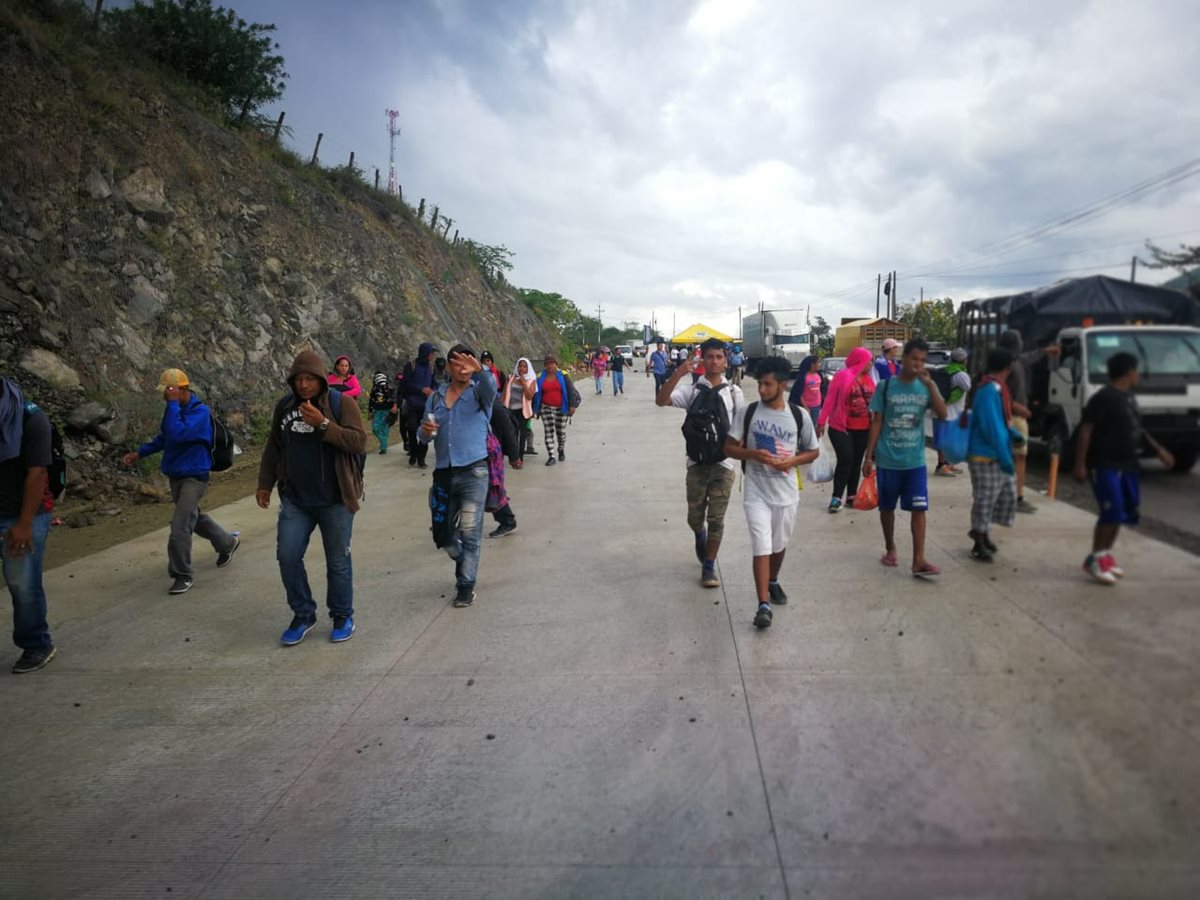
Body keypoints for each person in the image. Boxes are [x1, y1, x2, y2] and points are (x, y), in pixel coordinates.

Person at [257, 350, 367, 645]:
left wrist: (323, 424)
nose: (304, 385)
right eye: (299, 380)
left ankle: (342, 615)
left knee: (338, 561)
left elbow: (358, 441)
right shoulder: (284, 407)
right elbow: (274, 447)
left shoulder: (340, 403)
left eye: (310, 379)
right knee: (287, 556)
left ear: (321, 379)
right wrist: (264, 483)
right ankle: (303, 614)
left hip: (335, 499)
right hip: (296, 500)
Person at [122, 368, 239, 595]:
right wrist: (140, 453)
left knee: (179, 526)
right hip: (176, 475)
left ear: (181, 390)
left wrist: (173, 403)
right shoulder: (173, 410)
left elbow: (177, 434)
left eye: (169, 391)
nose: (165, 396)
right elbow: (165, 438)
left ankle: (182, 575)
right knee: (193, 518)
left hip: (195, 477)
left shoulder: (200, 412)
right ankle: (227, 543)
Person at [725, 356, 820, 630]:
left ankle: (773, 579)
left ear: (782, 384)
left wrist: (791, 461)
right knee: (761, 546)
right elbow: (729, 448)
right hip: (756, 491)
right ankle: (763, 605)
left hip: (787, 494)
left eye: (767, 384)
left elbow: (813, 451)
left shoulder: (799, 416)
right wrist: (752, 453)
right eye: (759, 384)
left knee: (778, 545)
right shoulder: (748, 412)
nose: (762, 390)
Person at [1072, 352, 1174, 585]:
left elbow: (1139, 430)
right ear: (1129, 371)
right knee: (1112, 510)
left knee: (1124, 512)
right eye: (1136, 370)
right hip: (1105, 464)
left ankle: (1106, 555)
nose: (1137, 375)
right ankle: (1095, 558)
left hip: (1128, 465)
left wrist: (1159, 450)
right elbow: (1086, 430)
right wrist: (1080, 464)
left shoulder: (1128, 398)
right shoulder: (1103, 398)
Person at [656, 337, 744, 587]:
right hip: (696, 464)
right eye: (710, 357)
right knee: (695, 518)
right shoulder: (692, 391)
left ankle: (708, 566)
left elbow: (741, 430)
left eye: (719, 357)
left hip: (724, 464)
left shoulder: (735, 394)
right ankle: (699, 534)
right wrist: (679, 372)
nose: (714, 361)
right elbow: (661, 400)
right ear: (702, 360)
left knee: (717, 518)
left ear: (726, 361)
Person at [862, 338, 948, 578]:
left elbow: (942, 414)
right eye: (914, 359)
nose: (918, 364)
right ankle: (890, 547)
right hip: (888, 460)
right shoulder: (886, 387)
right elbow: (877, 421)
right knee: (887, 509)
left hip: (915, 462)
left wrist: (931, 386)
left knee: (919, 510)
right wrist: (868, 456)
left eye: (922, 360)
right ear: (903, 358)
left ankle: (918, 560)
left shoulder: (925, 387)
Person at [419, 344, 497, 607]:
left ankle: (465, 585)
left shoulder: (479, 394)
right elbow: (423, 434)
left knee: (470, 530)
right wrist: (427, 432)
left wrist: (481, 370)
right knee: (441, 534)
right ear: (449, 367)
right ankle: (465, 558)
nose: (463, 369)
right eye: (457, 363)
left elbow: (491, 386)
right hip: (443, 473)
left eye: (468, 363)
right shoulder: (436, 398)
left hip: (474, 472)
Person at [1, 377, 56, 674]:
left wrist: (23, 524)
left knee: (22, 583)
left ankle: (36, 643)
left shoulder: (31, 418)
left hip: (26, 513)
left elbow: (37, 475)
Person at [965, 348, 1019, 563]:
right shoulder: (989, 391)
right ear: (1009, 368)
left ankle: (982, 534)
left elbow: (1000, 421)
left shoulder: (996, 389)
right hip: (984, 455)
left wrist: (1013, 434)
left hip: (991, 454)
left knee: (999, 498)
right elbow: (992, 426)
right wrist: (1005, 457)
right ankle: (978, 541)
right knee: (986, 500)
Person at [997, 330, 1059, 513]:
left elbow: (1030, 356)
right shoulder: (1006, 365)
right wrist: (1018, 407)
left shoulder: (1016, 361)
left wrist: (1047, 351)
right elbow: (1000, 392)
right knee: (1014, 457)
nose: (1022, 344)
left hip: (1016, 416)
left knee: (1018, 456)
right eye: (1019, 341)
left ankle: (1016, 495)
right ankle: (1012, 496)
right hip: (1011, 416)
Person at [817, 347, 874, 512]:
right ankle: (836, 497)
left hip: (864, 428)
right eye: (869, 360)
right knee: (846, 459)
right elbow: (829, 400)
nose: (871, 364)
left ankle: (851, 495)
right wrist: (821, 422)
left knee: (856, 462)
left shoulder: (869, 379)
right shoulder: (842, 377)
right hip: (840, 427)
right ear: (860, 361)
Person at [533, 354, 578, 466]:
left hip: (562, 407)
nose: (550, 366)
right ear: (544, 366)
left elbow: (570, 390)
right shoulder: (540, 377)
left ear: (556, 365)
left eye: (552, 363)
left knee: (561, 431)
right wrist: (535, 409)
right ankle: (551, 456)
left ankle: (561, 449)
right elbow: (536, 394)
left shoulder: (564, 375)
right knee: (549, 430)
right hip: (546, 407)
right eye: (547, 364)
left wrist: (572, 405)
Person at [934, 348, 972, 476]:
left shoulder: (946, 369)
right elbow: (968, 387)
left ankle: (948, 464)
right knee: (946, 439)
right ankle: (941, 466)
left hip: (943, 408)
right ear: (964, 360)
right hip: (951, 411)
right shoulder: (961, 374)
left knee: (945, 438)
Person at [487, 395, 520, 538]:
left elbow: (508, 428)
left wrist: (514, 456)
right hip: (470, 452)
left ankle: (507, 521)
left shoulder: (492, 403)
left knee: (493, 489)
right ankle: (449, 523)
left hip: (490, 454)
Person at [403, 342, 439, 468]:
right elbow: (405, 385)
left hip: (427, 406)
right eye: (431, 353)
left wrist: (433, 391)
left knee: (427, 430)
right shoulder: (410, 366)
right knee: (412, 429)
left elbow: (435, 383)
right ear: (425, 353)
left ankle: (421, 458)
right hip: (413, 404)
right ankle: (413, 453)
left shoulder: (432, 367)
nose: (433, 355)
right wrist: (421, 389)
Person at [505, 357, 537, 467]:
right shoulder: (511, 377)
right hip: (511, 411)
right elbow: (505, 394)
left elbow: (529, 396)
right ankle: (513, 457)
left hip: (523, 411)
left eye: (524, 366)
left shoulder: (531, 380)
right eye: (520, 366)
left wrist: (523, 383)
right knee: (512, 434)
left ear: (528, 368)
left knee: (522, 435)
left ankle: (520, 458)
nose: (521, 368)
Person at [789, 354, 825, 425]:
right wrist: (805, 407)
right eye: (818, 362)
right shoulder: (803, 377)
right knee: (804, 426)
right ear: (812, 364)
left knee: (813, 426)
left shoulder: (819, 375)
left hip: (816, 405)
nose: (820, 364)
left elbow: (820, 389)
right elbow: (799, 394)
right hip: (806, 406)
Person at [367, 370, 395, 454]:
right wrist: (370, 411)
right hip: (377, 411)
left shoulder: (389, 389)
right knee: (375, 429)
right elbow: (371, 401)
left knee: (384, 429)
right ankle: (383, 442)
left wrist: (394, 408)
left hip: (386, 411)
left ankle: (383, 447)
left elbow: (394, 399)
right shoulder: (374, 389)